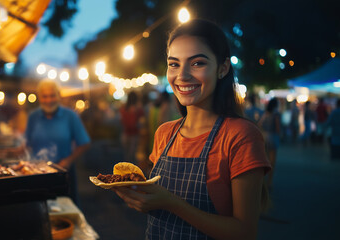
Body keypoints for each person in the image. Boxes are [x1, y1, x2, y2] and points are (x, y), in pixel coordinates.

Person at [113, 19, 271, 239]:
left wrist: (172, 204)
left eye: (197, 63)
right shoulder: (164, 133)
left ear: (222, 68)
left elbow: (244, 232)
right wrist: (137, 195)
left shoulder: (241, 135)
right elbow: (156, 199)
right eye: (174, 64)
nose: (182, 75)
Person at [0, 80, 90, 204]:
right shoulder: (33, 116)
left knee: (65, 211)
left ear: (59, 96)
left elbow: (84, 143)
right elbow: (29, 144)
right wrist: (14, 152)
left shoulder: (70, 116)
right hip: (37, 173)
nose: (49, 100)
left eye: (52, 95)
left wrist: (68, 160)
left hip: (62, 173)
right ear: (39, 97)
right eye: (45, 96)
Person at [258, 98, 281, 189]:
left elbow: (259, 124)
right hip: (272, 137)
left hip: (264, 137)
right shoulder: (276, 114)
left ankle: (262, 181)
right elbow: (278, 128)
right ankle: (269, 182)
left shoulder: (266, 113)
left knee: (264, 160)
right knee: (272, 161)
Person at [119, 91, 145, 164]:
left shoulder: (123, 108)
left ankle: (124, 172)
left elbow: (121, 121)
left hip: (125, 133)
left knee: (125, 155)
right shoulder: (139, 109)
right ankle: (132, 173)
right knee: (132, 156)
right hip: (134, 134)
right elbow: (141, 122)